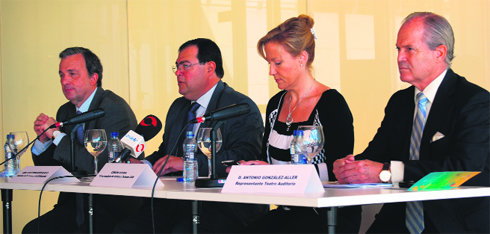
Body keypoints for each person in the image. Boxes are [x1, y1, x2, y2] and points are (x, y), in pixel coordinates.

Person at [333, 12, 489, 233]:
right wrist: (351, 167)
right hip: (398, 219)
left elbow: (463, 170)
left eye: (409, 49)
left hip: (451, 221)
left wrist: (387, 172)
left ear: (439, 53)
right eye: (398, 49)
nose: (400, 58)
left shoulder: (474, 102)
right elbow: (376, 155)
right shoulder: (400, 102)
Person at [114, 38, 267, 233]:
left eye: (185, 65)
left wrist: (188, 164)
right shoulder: (179, 107)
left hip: (222, 206)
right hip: (177, 201)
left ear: (210, 67)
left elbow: (244, 158)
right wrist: (145, 166)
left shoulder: (239, 107)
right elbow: (167, 152)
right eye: (176, 67)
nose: (178, 72)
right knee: (127, 229)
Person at [238, 14, 361, 233]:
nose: (271, 71)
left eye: (277, 63)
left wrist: (275, 174)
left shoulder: (331, 103)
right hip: (289, 213)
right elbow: (266, 161)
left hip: (325, 214)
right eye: (269, 63)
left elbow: (339, 172)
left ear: (302, 58)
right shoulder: (276, 104)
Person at [23, 47, 141, 233]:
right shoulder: (65, 111)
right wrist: (43, 140)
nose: (64, 81)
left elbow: (95, 164)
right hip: (75, 204)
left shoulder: (112, 108)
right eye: (61, 75)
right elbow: (55, 166)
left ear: (93, 78)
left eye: (72, 74)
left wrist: (56, 135)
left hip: (109, 206)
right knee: (33, 230)